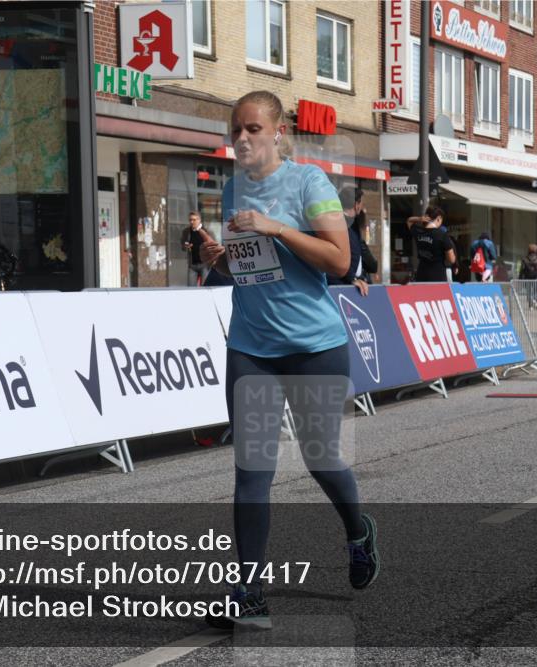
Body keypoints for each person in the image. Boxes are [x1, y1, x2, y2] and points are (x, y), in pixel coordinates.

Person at [199, 90, 379, 630]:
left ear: (278, 132)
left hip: (314, 347)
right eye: (236, 130)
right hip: (252, 348)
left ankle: (357, 529)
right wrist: (221, 260)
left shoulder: (309, 184)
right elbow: (248, 268)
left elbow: (341, 259)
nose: (243, 138)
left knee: (322, 460)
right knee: (251, 472)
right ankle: (249, 593)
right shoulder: (232, 189)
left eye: (253, 128)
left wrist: (277, 227)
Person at [326, 185, 370, 296]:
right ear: (356, 204)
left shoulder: (352, 222)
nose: (363, 206)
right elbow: (337, 256)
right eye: (362, 203)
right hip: (339, 286)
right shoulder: (339, 223)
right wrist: (352, 278)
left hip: (350, 283)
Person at [407, 206, 457, 282]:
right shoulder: (442, 235)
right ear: (439, 218)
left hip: (421, 274)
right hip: (438, 275)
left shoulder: (418, 231)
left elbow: (409, 221)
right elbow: (451, 259)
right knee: (438, 294)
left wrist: (419, 219)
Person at [181, 211, 217, 286]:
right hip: (192, 265)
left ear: (199, 220)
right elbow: (183, 246)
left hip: (205, 265)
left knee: (205, 288)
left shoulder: (207, 231)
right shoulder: (186, 232)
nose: (192, 222)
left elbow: (214, 245)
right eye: (190, 220)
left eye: (194, 220)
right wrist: (186, 246)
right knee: (191, 289)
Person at [518, 243, 537, 309]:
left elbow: (522, 270)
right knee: (536, 291)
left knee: (529, 292)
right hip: (536, 278)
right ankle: (535, 300)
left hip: (527, 278)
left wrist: (520, 278)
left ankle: (530, 305)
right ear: (536, 250)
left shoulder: (525, 260)